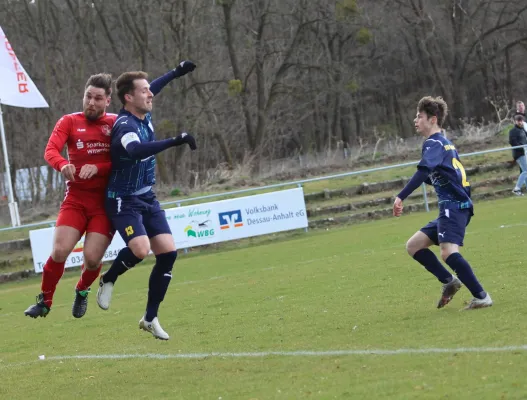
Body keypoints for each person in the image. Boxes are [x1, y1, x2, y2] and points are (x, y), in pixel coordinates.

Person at [96, 61, 197, 340]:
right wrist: (175, 140)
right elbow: (137, 150)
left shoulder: (142, 110)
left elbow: (155, 87)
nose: (150, 94)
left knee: (168, 253)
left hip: (147, 197)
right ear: (129, 97)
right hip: (123, 200)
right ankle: (108, 278)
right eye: (144, 92)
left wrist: (177, 72)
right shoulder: (124, 125)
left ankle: (150, 318)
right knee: (140, 249)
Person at [24, 74, 117, 319]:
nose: (91, 103)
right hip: (75, 200)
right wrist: (63, 163)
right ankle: (45, 301)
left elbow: (125, 160)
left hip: (104, 204)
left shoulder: (116, 124)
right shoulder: (69, 121)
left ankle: (82, 290)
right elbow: (50, 150)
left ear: (108, 100)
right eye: (88, 96)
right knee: (60, 251)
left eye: (98, 98)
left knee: (93, 259)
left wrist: (99, 168)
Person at [393, 96, 492, 310]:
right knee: (414, 245)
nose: (415, 120)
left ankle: (482, 296)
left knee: (448, 252)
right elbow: (443, 175)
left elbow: (424, 171)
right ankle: (449, 282)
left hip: (454, 207)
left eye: (419, 116)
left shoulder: (434, 143)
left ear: (433, 119)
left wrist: (401, 196)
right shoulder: (444, 144)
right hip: (453, 206)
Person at [509, 112, 527, 196]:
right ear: (515, 121)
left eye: (521, 120)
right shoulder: (513, 131)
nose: (520, 122)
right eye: (518, 121)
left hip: (524, 153)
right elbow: (512, 142)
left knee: (525, 171)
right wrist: (521, 147)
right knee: (526, 171)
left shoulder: (522, 130)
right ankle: (517, 188)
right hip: (519, 154)